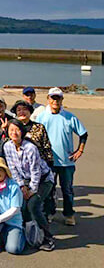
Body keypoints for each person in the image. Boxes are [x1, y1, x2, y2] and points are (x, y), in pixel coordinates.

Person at [36, 87, 88, 226]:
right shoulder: (42, 117)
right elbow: (36, 136)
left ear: (62, 100)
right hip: (48, 161)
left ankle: (69, 214)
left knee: (67, 190)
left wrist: (79, 151)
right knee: (49, 190)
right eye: (53, 97)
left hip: (67, 162)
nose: (55, 100)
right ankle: (49, 213)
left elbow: (83, 134)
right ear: (48, 99)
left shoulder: (70, 117)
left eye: (58, 98)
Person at [3, 119, 56, 251]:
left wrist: (32, 190)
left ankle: (48, 238)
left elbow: (36, 170)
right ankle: (29, 235)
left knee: (33, 205)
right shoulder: (7, 146)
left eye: (17, 129)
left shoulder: (30, 148)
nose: (14, 133)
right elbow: (13, 169)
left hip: (44, 180)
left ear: (22, 131)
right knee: (23, 205)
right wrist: (21, 186)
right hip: (24, 179)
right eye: (11, 130)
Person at [11, 100, 54, 169]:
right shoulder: (12, 128)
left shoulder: (39, 127)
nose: (22, 112)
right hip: (18, 167)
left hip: (38, 166)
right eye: (19, 110)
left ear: (30, 112)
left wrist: (49, 165)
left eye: (25, 109)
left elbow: (47, 147)